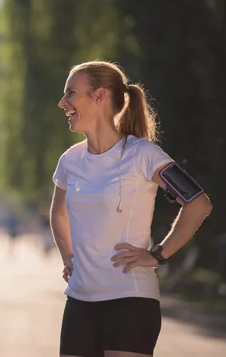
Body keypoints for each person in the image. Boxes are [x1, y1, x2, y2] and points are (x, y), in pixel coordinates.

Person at [50, 61, 213, 357]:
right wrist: (69, 258)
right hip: (79, 300)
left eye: (71, 93)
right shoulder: (70, 161)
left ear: (99, 96)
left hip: (130, 300)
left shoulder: (143, 155)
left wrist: (158, 254)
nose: (63, 103)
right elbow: (58, 213)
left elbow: (198, 203)